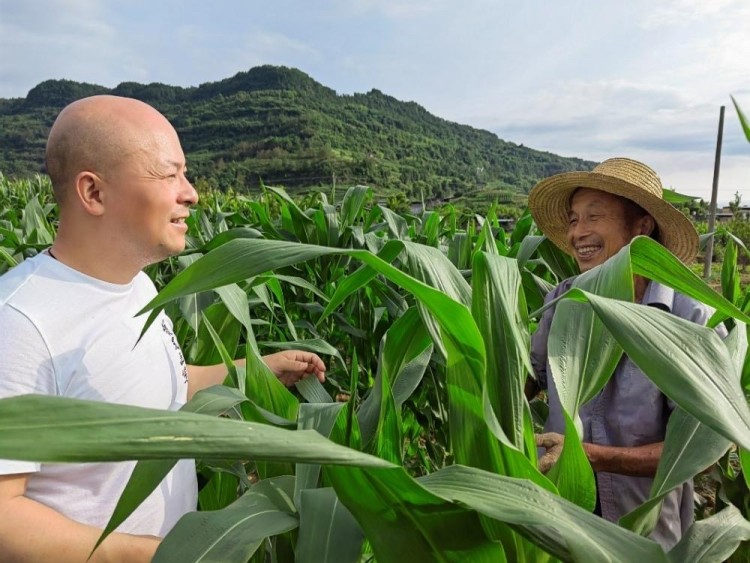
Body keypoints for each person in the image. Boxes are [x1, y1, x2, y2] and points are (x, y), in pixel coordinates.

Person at [0, 95, 326, 562]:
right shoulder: (19, 324)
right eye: (169, 174)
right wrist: (151, 555)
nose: (191, 192)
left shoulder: (135, 285)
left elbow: (161, 387)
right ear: (94, 193)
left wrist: (252, 371)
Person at [527, 157, 722, 550]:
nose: (578, 233)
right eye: (573, 220)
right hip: (560, 520)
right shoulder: (562, 301)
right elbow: (529, 378)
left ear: (642, 227)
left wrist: (588, 456)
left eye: (593, 217)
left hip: (644, 534)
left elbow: (695, 451)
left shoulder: (690, 321)